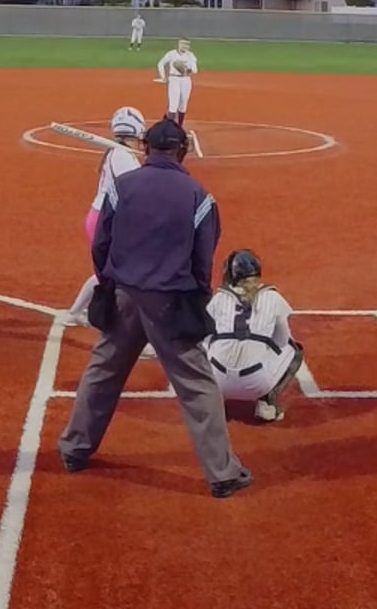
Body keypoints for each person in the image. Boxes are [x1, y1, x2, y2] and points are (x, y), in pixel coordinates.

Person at [59, 118, 252, 499]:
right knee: (197, 385)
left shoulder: (122, 187)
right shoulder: (199, 196)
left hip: (124, 294)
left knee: (102, 372)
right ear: (182, 151)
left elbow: (101, 242)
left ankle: (74, 448)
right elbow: (203, 259)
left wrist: (108, 282)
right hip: (170, 301)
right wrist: (197, 299)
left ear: (146, 147)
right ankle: (222, 473)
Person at [63, 106, 147, 328]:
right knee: (118, 271)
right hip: (106, 220)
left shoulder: (120, 154)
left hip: (103, 217)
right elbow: (135, 189)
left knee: (110, 270)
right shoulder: (122, 156)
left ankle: (74, 313)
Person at [204, 250, 305, 424]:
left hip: (217, 380)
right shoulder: (273, 297)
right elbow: (282, 340)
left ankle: (210, 401)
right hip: (257, 383)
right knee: (295, 351)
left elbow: (204, 337)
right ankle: (267, 403)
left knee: (203, 345)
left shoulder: (219, 297)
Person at [155, 39, 199, 127]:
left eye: (187, 45)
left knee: (183, 104)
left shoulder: (190, 55)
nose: (185, 46)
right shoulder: (171, 54)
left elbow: (195, 69)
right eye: (183, 44)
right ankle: (170, 127)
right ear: (179, 44)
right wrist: (163, 76)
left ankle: (179, 126)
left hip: (186, 80)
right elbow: (160, 63)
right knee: (173, 104)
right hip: (174, 79)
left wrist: (187, 70)